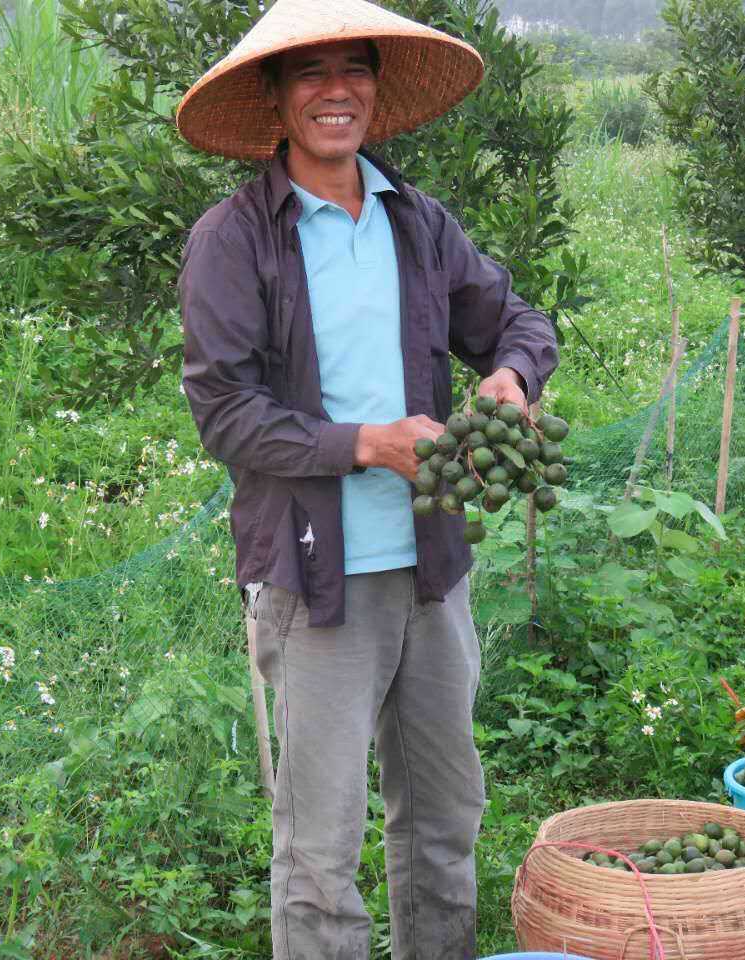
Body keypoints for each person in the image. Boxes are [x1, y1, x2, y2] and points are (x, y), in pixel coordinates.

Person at [175, 3, 558, 957]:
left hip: (430, 568)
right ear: (276, 98)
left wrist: (511, 374)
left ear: (377, 93)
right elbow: (225, 409)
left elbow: (515, 319)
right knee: (320, 850)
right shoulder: (235, 240)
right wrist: (363, 445)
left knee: (442, 817)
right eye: (311, 74)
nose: (335, 90)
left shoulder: (417, 222)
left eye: (355, 70)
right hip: (317, 582)